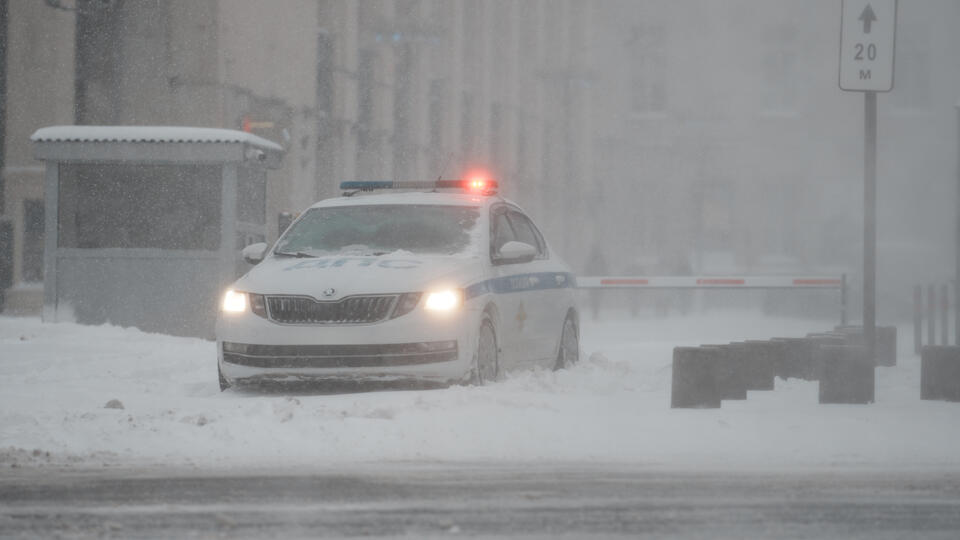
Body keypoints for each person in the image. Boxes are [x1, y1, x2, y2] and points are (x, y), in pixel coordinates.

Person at [584, 245, 608, 320]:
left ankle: (595, 313)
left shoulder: (591, 259)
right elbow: (605, 269)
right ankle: (596, 313)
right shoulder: (601, 259)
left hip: (593, 283)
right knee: (597, 299)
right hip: (599, 282)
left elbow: (587, 269)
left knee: (594, 299)